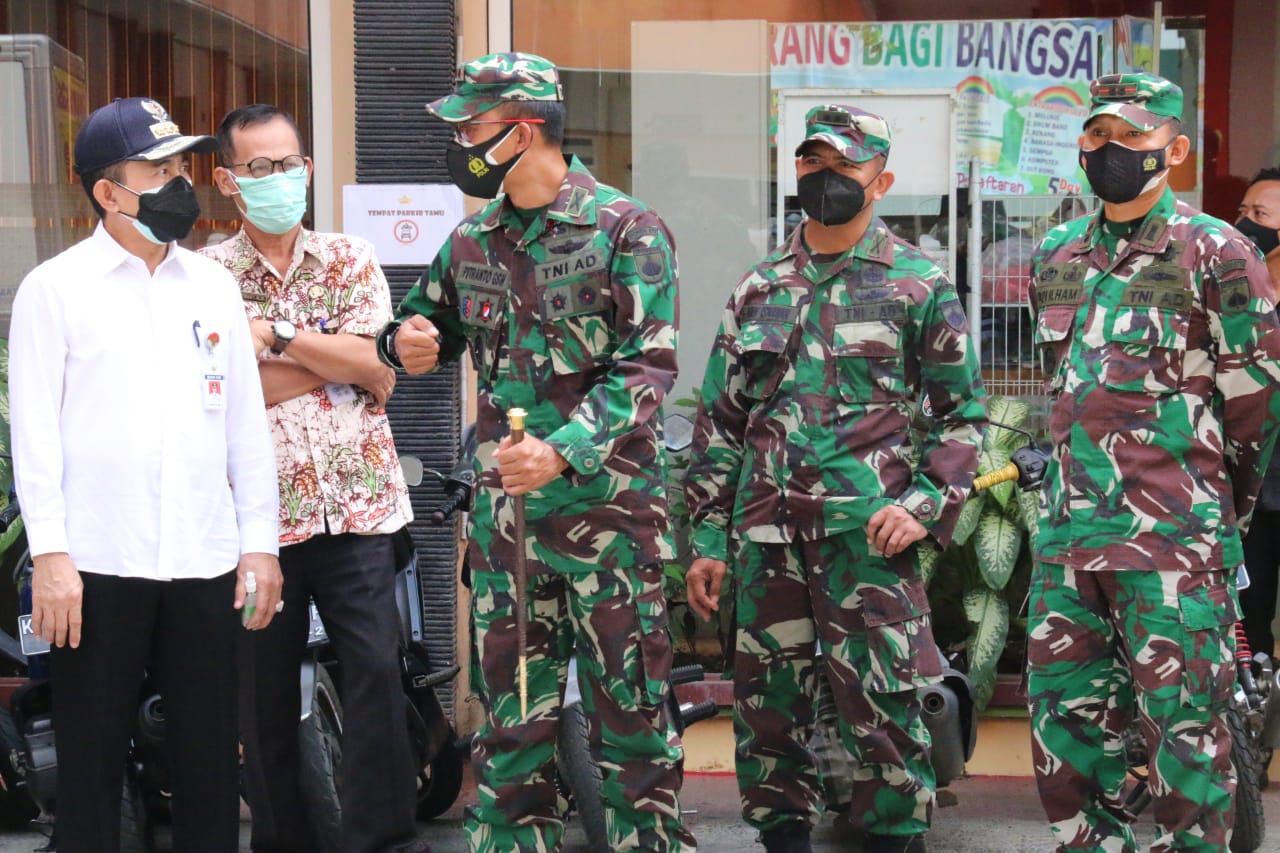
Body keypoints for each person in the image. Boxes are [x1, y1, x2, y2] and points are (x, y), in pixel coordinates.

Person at [375, 52, 697, 852]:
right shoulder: (472, 240)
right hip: (508, 534)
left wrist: (563, 450)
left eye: (470, 127)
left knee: (631, 728)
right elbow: (422, 328)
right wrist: (403, 340)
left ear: (522, 131)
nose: (458, 143)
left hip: (610, 524)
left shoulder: (628, 230)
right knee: (513, 727)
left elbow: (648, 365)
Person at [684, 104, 988, 853]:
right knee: (767, 708)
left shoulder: (918, 285)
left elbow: (962, 418)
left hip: (868, 542)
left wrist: (924, 504)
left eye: (843, 166)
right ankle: (780, 836)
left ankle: (891, 838)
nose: (825, 178)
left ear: (879, 180)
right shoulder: (757, 290)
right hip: (766, 538)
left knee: (884, 706)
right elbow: (723, 422)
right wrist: (705, 537)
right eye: (812, 163)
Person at [7, 97, 282, 852]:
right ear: (107, 191)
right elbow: (35, 439)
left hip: (203, 558)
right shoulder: (54, 290)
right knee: (91, 767)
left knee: (206, 763)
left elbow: (244, 428)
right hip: (96, 565)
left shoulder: (212, 286)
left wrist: (260, 544)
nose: (175, 181)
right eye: (154, 169)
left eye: (177, 165)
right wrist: (54, 558)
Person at [1026, 74, 1280, 851]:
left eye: (1128, 138)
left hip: (1174, 546)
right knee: (1065, 743)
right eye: (1097, 136)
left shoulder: (1219, 251)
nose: (1107, 151)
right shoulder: (1056, 252)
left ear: (1170, 149)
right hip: (1071, 543)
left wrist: (1208, 505)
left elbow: (1254, 399)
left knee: (1186, 749)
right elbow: (1062, 380)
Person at [200, 103, 420, 853]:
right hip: (260, 523)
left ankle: (381, 839)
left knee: (375, 680)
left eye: (288, 163)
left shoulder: (351, 258)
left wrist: (282, 338)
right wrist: (338, 358)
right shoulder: (207, 276)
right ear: (228, 180)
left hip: (360, 508)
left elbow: (380, 368)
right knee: (261, 701)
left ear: (309, 168)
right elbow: (230, 392)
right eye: (259, 168)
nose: (278, 178)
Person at [1237, 167, 1280, 661]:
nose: (1246, 224)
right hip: (1252, 491)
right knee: (1249, 616)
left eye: (1260, 214)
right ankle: (1254, 728)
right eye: (1243, 212)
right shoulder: (1235, 296)